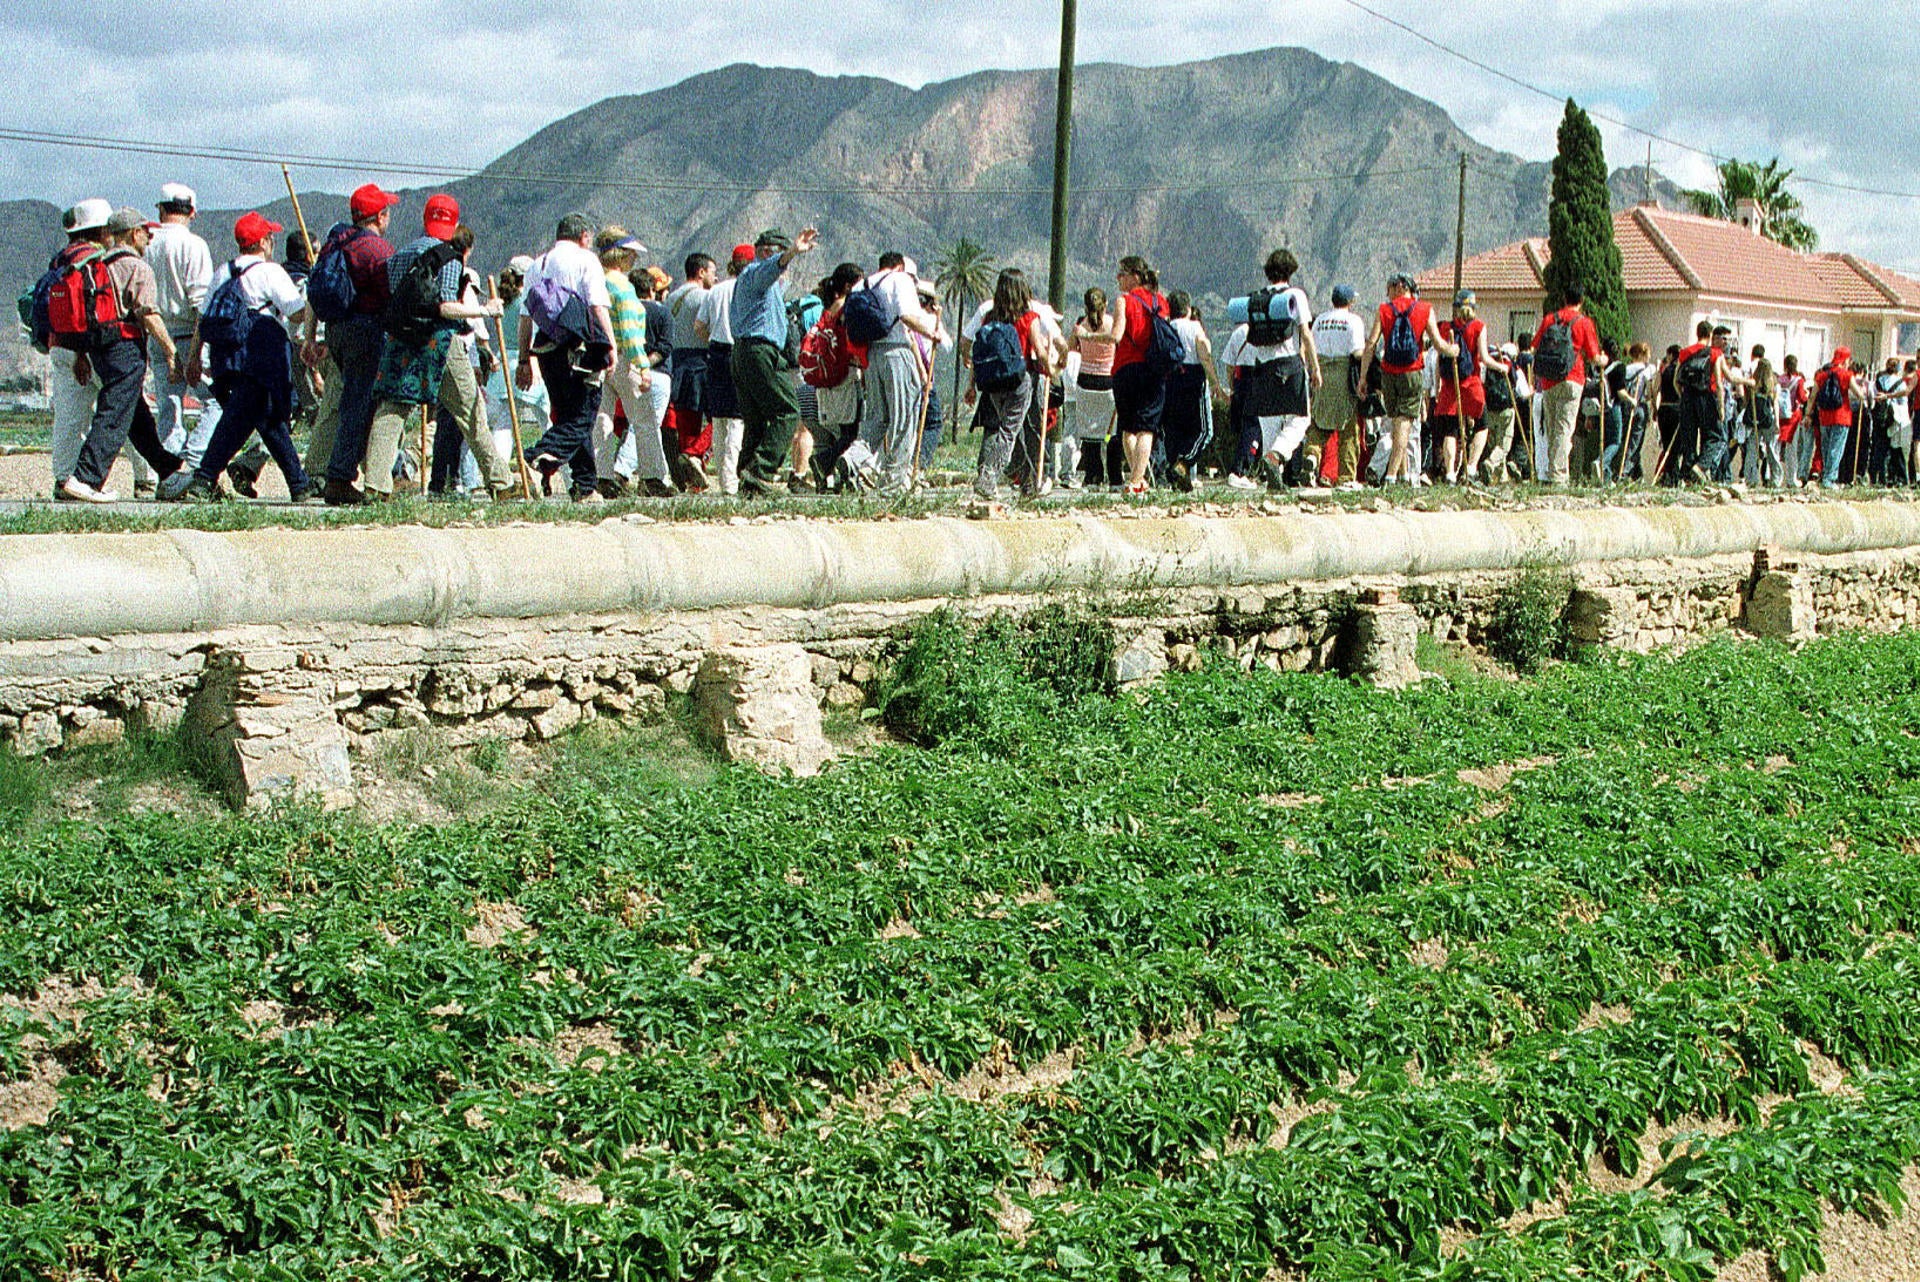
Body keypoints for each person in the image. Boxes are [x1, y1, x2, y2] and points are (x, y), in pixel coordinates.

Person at [356, 200, 510, 501]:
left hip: (400, 339)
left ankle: (375, 485)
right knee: (470, 408)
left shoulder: (401, 256)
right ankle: (500, 482)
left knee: (393, 407)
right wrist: (485, 310)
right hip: (439, 342)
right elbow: (445, 307)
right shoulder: (449, 257)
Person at [162, 212, 317, 503]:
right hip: (261, 354)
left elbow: (204, 318)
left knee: (260, 417)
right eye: (270, 237)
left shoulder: (224, 272)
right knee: (246, 417)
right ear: (262, 242)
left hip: (225, 356)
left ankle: (299, 484)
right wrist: (313, 299)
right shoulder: (269, 272)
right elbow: (296, 311)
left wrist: (195, 357)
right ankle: (204, 479)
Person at [61, 207, 187, 503]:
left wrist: (81, 354)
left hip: (97, 348)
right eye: (147, 231)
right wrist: (171, 353)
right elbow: (149, 315)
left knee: (135, 416)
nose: (150, 237)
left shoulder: (96, 263)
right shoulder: (138, 268)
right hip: (125, 348)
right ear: (134, 233)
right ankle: (85, 477)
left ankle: (167, 471)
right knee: (115, 414)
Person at [311, 183, 401, 505]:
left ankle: (346, 472)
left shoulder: (337, 238)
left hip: (335, 329)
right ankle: (340, 477)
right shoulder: (377, 250)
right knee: (358, 405)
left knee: (351, 401)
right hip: (365, 331)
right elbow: (392, 295)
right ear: (380, 216)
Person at [518, 212, 615, 502]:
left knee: (569, 413)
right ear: (584, 236)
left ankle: (585, 485)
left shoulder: (538, 264)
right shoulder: (586, 260)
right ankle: (535, 459)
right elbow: (597, 306)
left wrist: (525, 359)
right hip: (579, 347)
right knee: (584, 415)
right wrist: (610, 346)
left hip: (546, 348)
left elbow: (526, 317)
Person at [723, 227, 819, 496]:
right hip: (759, 351)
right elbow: (773, 267)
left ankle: (748, 483)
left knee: (755, 420)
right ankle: (761, 469)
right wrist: (792, 252)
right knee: (788, 411)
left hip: (744, 352)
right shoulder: (757, 273)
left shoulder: (757, 283)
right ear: (766, 252)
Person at [586, 228, 674, 499]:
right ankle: (652, 477)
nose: (634, 257)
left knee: (602, 419)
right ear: (621, 254)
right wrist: (643, 367)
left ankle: (601, 476)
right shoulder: (623, 287)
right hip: (624, 359)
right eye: (631, 252)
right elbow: (630, 332)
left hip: (597, 358)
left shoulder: (596, 281)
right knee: (645, 419)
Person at [145, 183, 220, 482]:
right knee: (216, 400)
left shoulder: (148, 244)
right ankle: (195, 455)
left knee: (168, 407)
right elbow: (202, 305)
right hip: (191, 335)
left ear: (161, 209)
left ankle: (172, 471)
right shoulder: (194, 245)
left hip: (159, 332)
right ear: (192, 211)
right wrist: (194, 354)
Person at [853, 253, 942, 495]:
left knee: (876, 418)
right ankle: (893, 484)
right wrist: (932, 333)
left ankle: (852, 458)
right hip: (897, 353)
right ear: (900, 267)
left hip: (872, 355)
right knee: (904, 421)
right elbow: (907, 315)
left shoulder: (864, 283)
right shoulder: (899, 280)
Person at [967, 267, 1054, 502]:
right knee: (1010, 431)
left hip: (993, 382)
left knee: (1007, 431)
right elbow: (1038, 349)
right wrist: (1051, 369)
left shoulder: (989, 318)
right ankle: (988, 476)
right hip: (1020, 379)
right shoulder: (1028, 318)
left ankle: (1025, 482)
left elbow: (978, 353)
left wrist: (971, 383)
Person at [42, 199, 110, 498]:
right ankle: (146, 477)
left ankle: (63, 479)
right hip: (87, 349)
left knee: (68, 418)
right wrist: (83, 351)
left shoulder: (60, 260)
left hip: (57, 345)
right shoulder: (96, 260)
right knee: (123, 410)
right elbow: (91, 310)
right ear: (99, 229)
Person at [1361, 273, 1456, 485]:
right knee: (1404, 425)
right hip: (1412, 372)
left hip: (1388, 372)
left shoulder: (1384, 310)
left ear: (1399, 287)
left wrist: (1363, 377)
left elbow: (1371, 344)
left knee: (1397, 423)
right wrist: (1454, 350)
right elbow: (1438, 344)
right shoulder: (1424, 309)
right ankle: (1392, 476)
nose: (1388, 292)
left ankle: (1403, 476)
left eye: (1390, 288)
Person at [1525, 285, 1601, 485]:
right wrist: (1604, 360)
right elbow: (1594, 358)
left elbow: (1534, 347)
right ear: (1581, 300)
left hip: (1548, 380)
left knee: (1552, 428)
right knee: (1564, 428)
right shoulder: (1584, 323)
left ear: (1564, 298)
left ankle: (1552, 471)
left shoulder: (1550, 319)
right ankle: (1558, 476)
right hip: (1572, 378)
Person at [694, 244, 752, 494]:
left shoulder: (716, 290)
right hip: (740, 350)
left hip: (716, 352)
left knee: (718, 418)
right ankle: (731, 477)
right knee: (738, 418)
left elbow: (699, 326)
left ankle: (722, 477)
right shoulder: (750, 290)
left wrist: (713, 337)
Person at [1110, 255, 1169, 494]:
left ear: (1134, 276)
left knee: (1128, 428)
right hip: (1153, 369)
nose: (1118, 278)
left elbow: (1115, 336)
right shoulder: (1160, 302)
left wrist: (1089, 337)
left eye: (1122, 273)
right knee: (1146, 428)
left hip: (1125, 369)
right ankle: (1137, 479)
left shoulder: (1123, 301)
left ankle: (1136, 479)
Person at [1434, 289, 1505, 485]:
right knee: (1482, 425)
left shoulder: (1445, 328)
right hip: (1471, 383)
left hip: (1450, 385)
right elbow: (1484, 357)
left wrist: (1437, 385)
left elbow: (1440, 359)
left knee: (1451, 431)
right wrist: (1501, 367)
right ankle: (1471, 467)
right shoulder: (1479, 327)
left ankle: (1450, 473)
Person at [663, 252, 716, 491]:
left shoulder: (670, 298)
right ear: (701, 272)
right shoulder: (705, 297)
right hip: (701, 362)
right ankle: (696, 454)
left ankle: (695, 480)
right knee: (723, 418)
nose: (715, 278)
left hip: (677, 362)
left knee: (687, 423)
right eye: (713, 273)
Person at [1307, 283, 1366, 489]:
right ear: (1350, 301)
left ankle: (1312, 456)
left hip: (1321, 371)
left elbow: (1309, 347)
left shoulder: (1320, 320)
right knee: (1348, 427)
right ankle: (1346, 477)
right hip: (1343, 372)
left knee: (1319, 421)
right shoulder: (1353, 321)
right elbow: (1358, 352)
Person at [1161, 290, 1220, 490]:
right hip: (1193, 378)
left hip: (1170, 379)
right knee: (1204, 430)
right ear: (1188, 309)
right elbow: (1204, 352)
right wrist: (1214, 382)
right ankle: (1184, 463)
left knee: (1174, 430)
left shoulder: (1165, 327)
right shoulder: (1193, 326)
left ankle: (1178, 477)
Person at [1069, 288, 1118, 488]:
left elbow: (1071, 346)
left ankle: (1093, 476)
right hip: (1107, 379)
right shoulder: (1112, 324)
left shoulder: (1081, 325)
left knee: (1089, 432)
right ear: (1105, 304)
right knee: (1111, 432)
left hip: (1085, 379)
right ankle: (1115, 478)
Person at [1472, 341, 1523, 483]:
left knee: (1494, 443)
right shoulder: (1510, 365)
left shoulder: (1489, 363)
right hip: (1506, 409)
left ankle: (1502, 477)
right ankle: (1490, 463)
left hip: (1491, 408)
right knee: (1504, 444)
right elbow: (1519, 389)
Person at [1810, 347, 1859, 489]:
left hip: (1824, 416)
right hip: (1842, 416)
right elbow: (1858, 393)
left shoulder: (1822, 375)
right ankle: (1829, 479)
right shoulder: (1847, 375)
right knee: (1836, 448)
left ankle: (1826, 475)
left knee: (1825, 448)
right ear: (1846, 360)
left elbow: (1813, 396)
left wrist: (1808, 414)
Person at [1745, 345, 1782, 488]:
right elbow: (1776, 404)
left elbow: (1747, 401)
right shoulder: (1773, 384)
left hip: (1755, 419)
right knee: (1772, 451)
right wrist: (1777, 422)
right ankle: (1775, 479)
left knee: (1752, 450)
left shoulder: (1753, 383)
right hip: (1768, 420)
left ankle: (1751, 479)